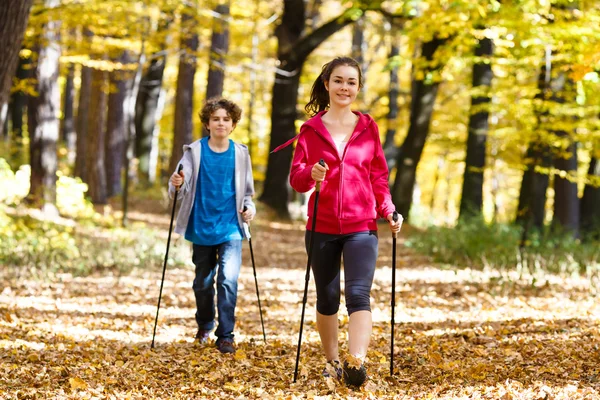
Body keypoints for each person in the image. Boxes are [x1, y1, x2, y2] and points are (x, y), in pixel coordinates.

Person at [273, 57, 402, 386]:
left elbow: (379, 177)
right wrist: (310, 173)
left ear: (358, 88)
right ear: (327, 84)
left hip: (362, 225)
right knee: (327, 297)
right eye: (339, 81)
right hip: (321, 226)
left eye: (352, 82)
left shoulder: (368, 127)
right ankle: (333, 361)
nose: (345, 87)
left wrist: (388, 210)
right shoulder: (310, 130)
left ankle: (356, 362)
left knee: (359, 294)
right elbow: (297, 180)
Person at [168, 97, 256, 354]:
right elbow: (178, 189)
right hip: (201, 225)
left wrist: (250, 210)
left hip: (231, 227)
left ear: (233, 124)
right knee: (203, 282)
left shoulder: (240, 153)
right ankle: (205, 324)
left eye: (226, 119)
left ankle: (225, 335)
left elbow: (248, 194)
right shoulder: (193, 151)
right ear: (207, 123)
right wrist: (176, 182)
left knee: (228, 280)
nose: (221, 123)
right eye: (215, 119)